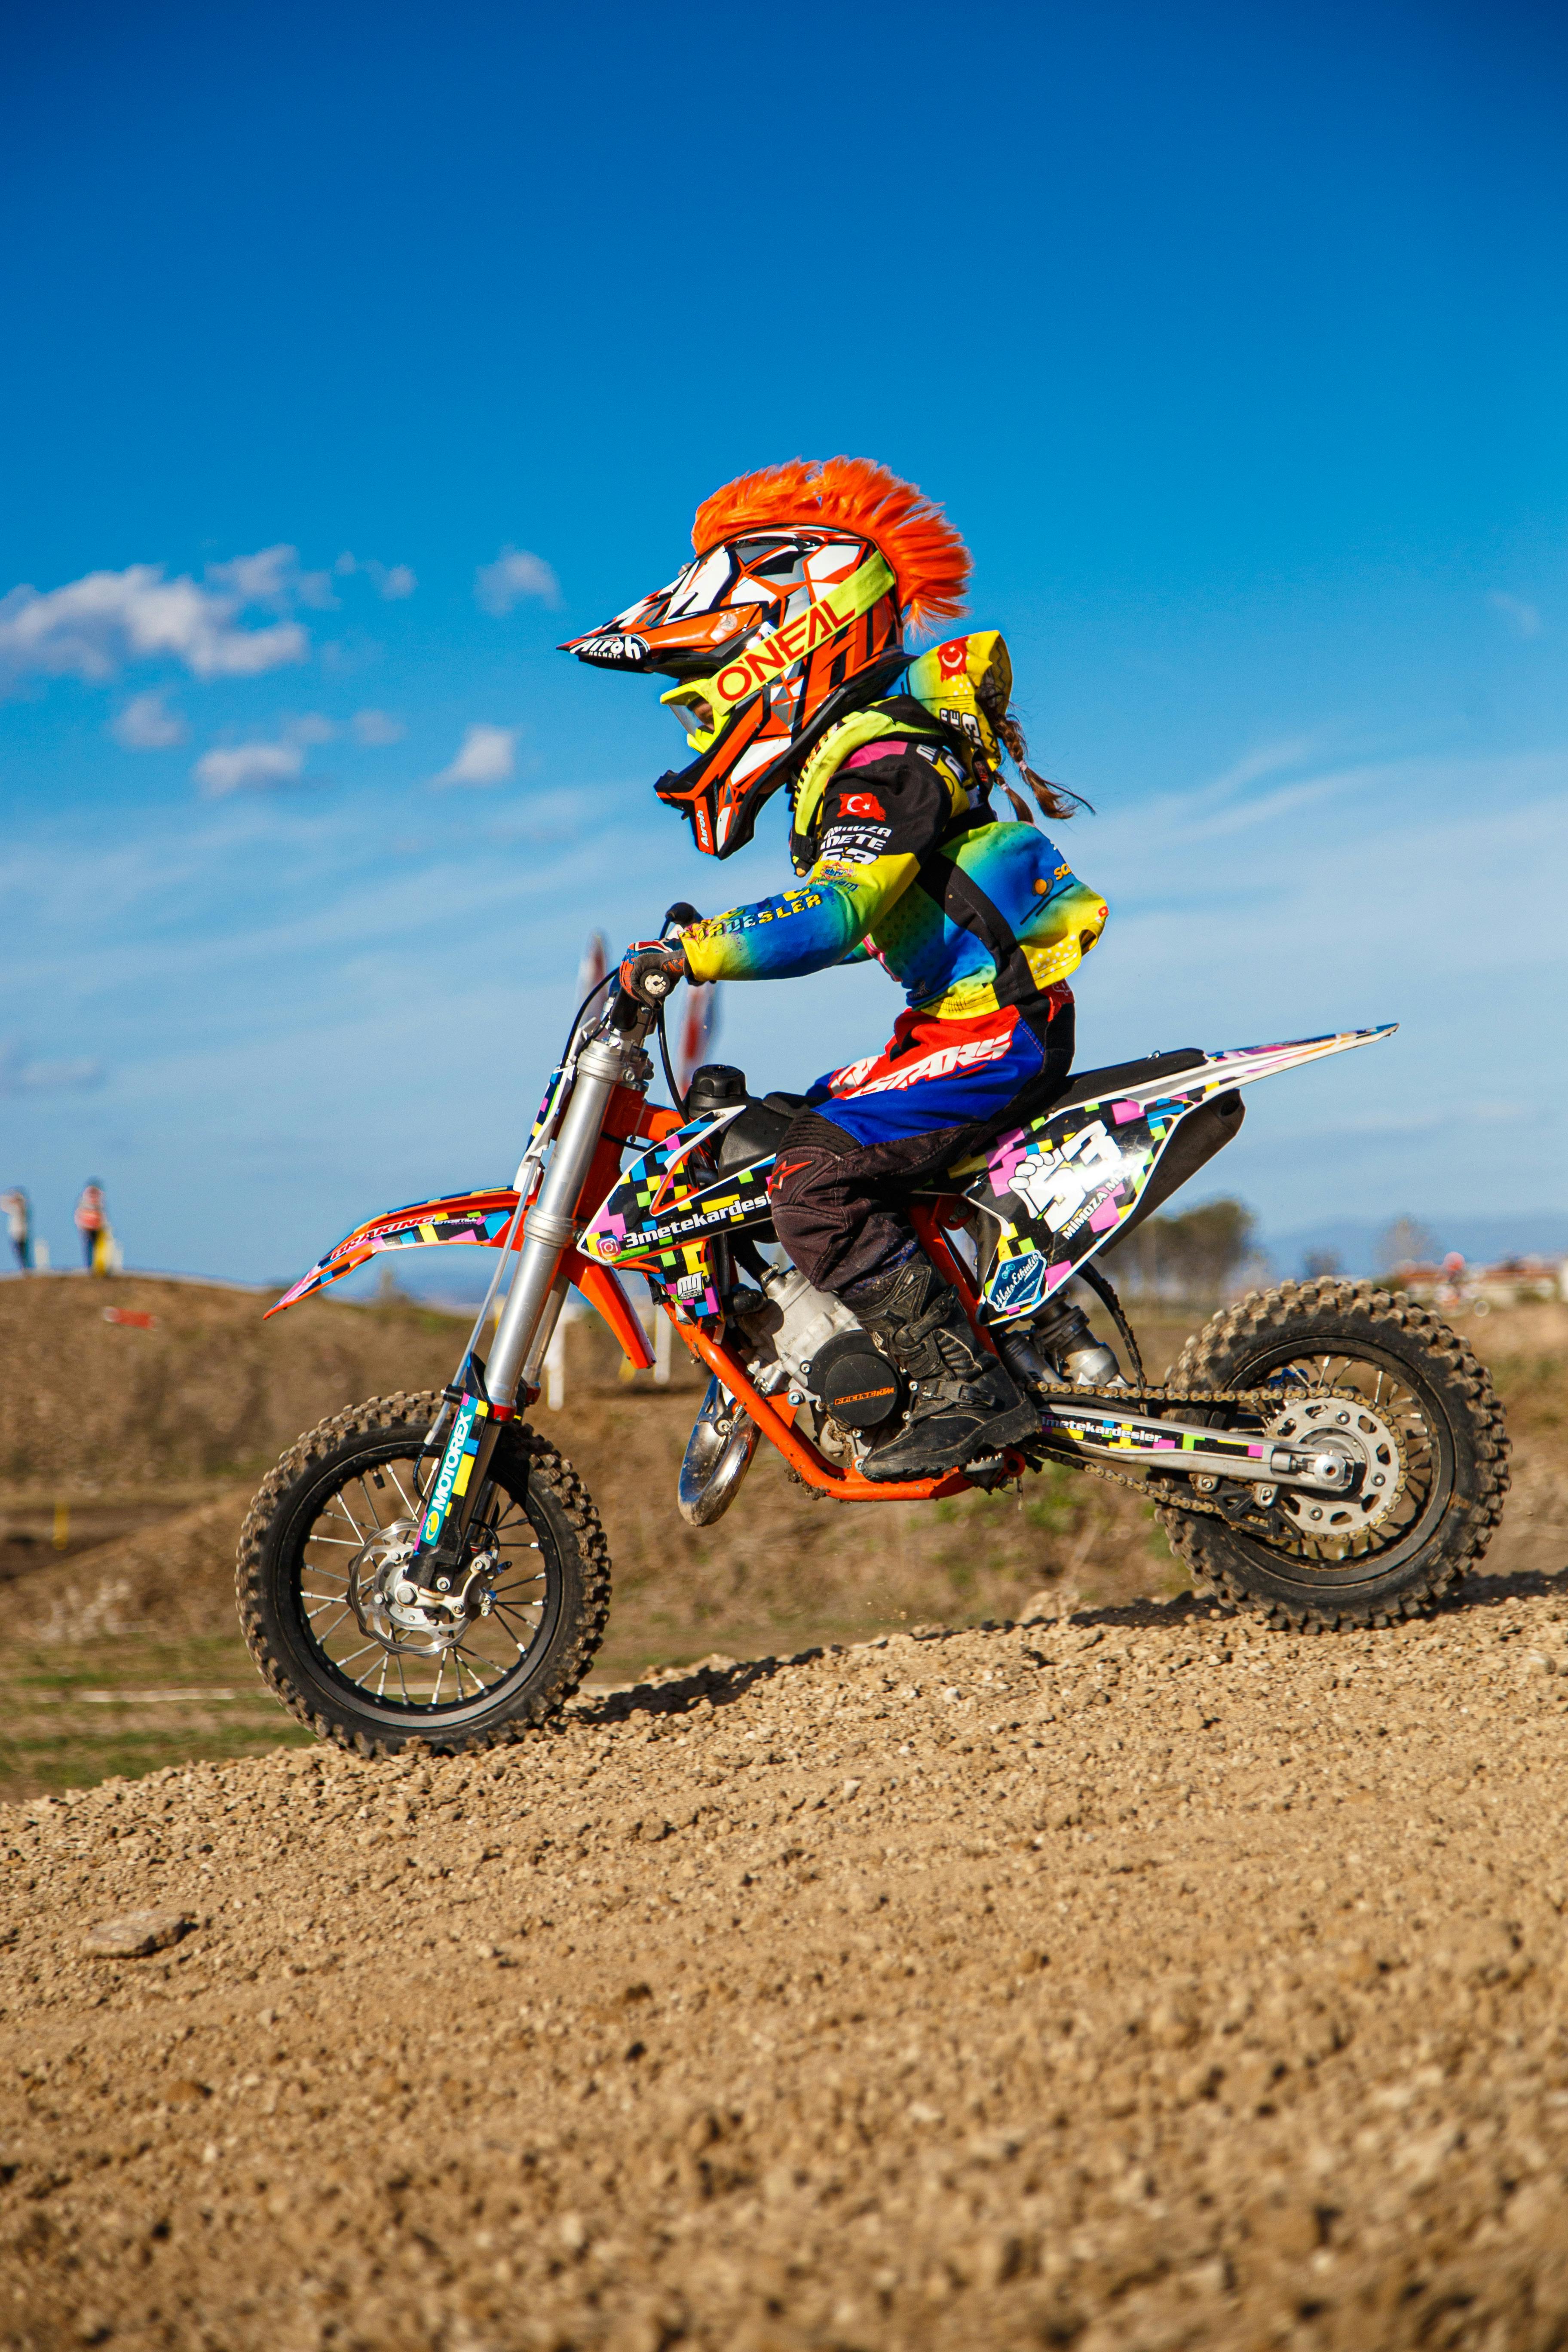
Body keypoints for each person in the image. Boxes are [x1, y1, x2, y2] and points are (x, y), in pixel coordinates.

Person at [562, 458, 1108, 1479]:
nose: (700, 727)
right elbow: (868, 918)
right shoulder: (864, 757)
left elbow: (837, 913)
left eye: (702, 701)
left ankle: (962, 1390)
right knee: (757, 1136)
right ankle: (788, 1349)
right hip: (955, 1025)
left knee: (812, 1179)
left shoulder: (883, 760)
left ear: (786, 649)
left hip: (993, 1031)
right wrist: (712, 940)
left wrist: (696, 951)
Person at [74, 1180, 109, 1274]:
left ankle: (96, 1267)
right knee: (90, 1248)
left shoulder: (91, 1200)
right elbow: (80, 1214)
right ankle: (91, 1267)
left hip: (94, 1227)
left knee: (95, 1247)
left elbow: (102, 1214)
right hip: (89, 1228)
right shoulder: (88, 1201)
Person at [1, 1187, 30, 1272]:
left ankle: (25, 1269)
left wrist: (11, 1195)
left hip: (19, 1234)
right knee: (21, 1253)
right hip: (18, 1234)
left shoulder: (19, 1208)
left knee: (21, 1253)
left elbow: (3, 1203)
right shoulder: (20, 1208)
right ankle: (25, 1268)